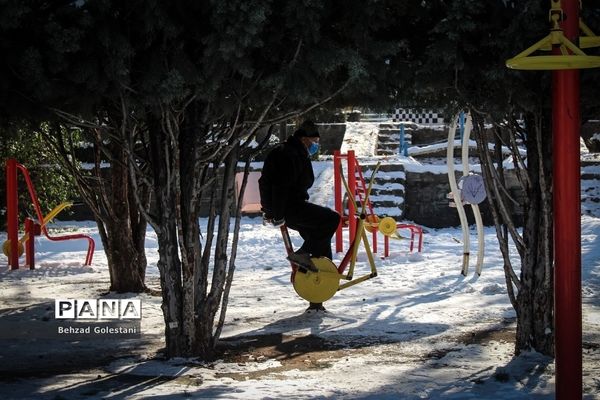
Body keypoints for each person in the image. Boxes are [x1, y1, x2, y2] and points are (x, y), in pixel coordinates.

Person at [259, 120, 341, 308]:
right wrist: (276, 213)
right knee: (331, 219)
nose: (316, 146)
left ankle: (317, 293)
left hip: (287, 205)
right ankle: (303, 255)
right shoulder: (290, 154)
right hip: (289, 206)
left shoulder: (290, 151)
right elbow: (280, 186)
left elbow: (265, 183)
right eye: (314, 141)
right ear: (304, 139)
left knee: (320, 241)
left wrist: (269, 209)